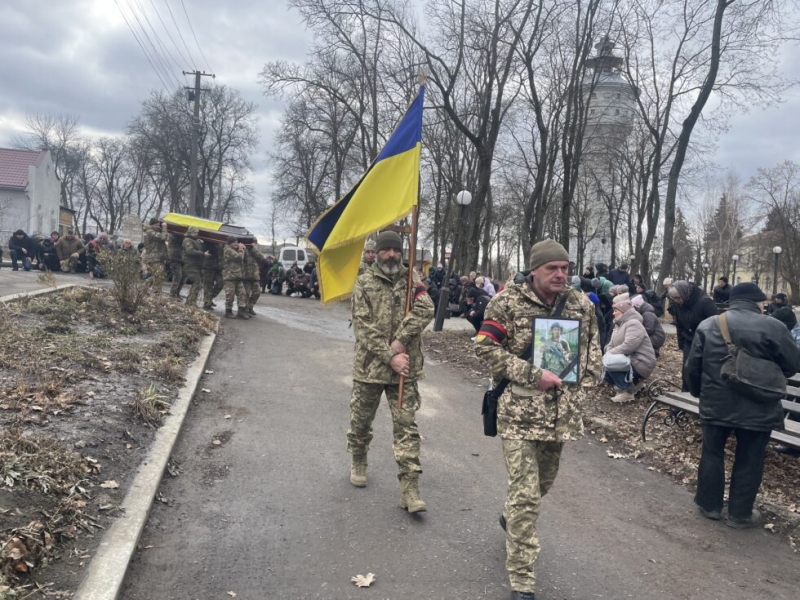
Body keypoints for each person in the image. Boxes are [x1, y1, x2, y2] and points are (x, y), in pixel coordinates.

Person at [475, 240, 601, 600]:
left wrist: (585, 385)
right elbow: (483, 347)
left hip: (559, 416)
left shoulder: (579, 303)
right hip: (517, 415)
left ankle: (510, 517)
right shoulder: (507, 302)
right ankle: (522, 580)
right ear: (534, 270)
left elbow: (592, 348)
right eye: (552, 268)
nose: (561, 274)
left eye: (565, 268)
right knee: (527, 495)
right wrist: (533, 374)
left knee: (541, 486)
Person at [686, 282, 800, 528]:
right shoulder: (775, 327)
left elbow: (692, 366)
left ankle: (709, 506)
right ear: (758, 302)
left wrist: (699, 394)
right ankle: (739, 515)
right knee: (751, 457)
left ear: (732, 301)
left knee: (712, 453)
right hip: (759, 405)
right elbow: (792, 365)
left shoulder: (709, 325)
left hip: (716, 403)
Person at [347, 230, 435, 514]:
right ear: (377, 252)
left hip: (404, 371)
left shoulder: (413, 280)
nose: (392, 255)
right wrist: (389, 356)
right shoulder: (363, 282)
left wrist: (399, 344)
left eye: (397, 250)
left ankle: (409, 490)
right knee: (361, 422)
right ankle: (359, 459)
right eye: (386, 250)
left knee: (407, 429)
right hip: (370, 369)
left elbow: (425, 310)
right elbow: (362, 327)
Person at [603, 293, 657, 402]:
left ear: (623, 312)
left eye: (615, 311)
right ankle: (635, 385)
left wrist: (610, 353)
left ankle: (626, 391)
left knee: (611, 364)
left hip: (642, 361)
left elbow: (629, 346)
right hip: (631, 359)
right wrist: (607, 351)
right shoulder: (619, 324)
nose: (613, 313)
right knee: (607, 364)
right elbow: (611, 343)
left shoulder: (633, 323)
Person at [668, 280, 718, 391]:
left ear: (686, 293)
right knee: (687, 370)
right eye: (674, 299)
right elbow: (679, 325)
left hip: (706, 343)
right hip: (689, 341)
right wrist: (681, 344)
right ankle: (686, 394)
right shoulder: (678, 305)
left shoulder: (705, 303)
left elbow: (715, 325)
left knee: (703, 370)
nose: (677, 301)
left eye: (678, 298)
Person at [222, 236, 249, 319]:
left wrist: (244, 250)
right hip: (230, 276)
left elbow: (245, 258)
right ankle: (228, 311)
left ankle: (241, 311)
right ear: (230, 243)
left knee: (242, 293)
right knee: (230, 295)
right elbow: (239, 257)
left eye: (236, 242)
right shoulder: (228, 250)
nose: (236, 244)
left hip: (237, 276)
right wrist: (241, 249)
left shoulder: (235, 250)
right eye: (234, 242)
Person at [181, 227, 206, 308]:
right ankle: (191, 302)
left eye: (197, 233)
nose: (196, 234)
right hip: (190, 265)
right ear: (190, 232)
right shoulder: (187, 240)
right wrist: (203, 254)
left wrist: (201, 244)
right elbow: (190, 251)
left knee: (198, 283)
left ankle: (190, 301)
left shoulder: (196, 240)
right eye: (194, 232)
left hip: (196, 265)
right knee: (197, 282)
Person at [243, 240, 265, 313]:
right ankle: (245, 308)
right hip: (246, 276)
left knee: (257, 292)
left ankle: (250, 306)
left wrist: (254, 249)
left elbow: (262, 258)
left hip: (255, 276)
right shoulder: (244, 250)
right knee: (246, 293)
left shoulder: (255, 251)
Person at [202, 242, 224, 311]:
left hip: (218, 267)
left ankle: (209, 298)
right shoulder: (208, 242)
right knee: (208, 285)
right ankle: (206, 303)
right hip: (208, 266)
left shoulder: (221, 244)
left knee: (221, 283)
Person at [167, 232, 185, 299]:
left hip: (180, 259)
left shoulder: (179, 236)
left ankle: (176, 293)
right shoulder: (173, 236)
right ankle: (172, 294)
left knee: (182, 277)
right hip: (174, 258)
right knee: (178, 276)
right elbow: (181, 240)